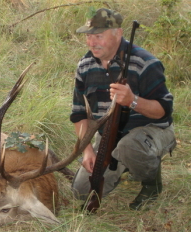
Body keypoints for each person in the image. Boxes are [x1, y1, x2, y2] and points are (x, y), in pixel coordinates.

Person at [70, 8, 177, 210]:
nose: (92, 43)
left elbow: (163, 111)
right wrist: (87, 151)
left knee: (130, 147)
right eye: (89, 37)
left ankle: (152, 182)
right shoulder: (85, 66)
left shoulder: (145, 63)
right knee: (80, 191)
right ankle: (125, 165)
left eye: (98, 36)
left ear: (118, 33)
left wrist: (132, 100)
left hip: (151, 131)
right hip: (108, 135)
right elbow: (79, 114)